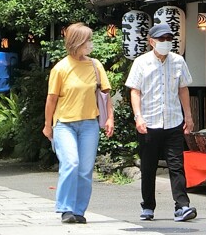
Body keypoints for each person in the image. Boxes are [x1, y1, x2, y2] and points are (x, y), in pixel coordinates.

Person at [125, 22, 197, 222]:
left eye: (168, 39)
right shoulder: (141, 62)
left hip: (173, 120)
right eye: (161, 39)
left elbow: (183, 88)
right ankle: (148, 206)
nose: (165, 43)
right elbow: (135, 91)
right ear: (151, 42)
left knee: (176, 165)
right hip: (149, 122)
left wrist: (189, 116)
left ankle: (182, 206)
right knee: (148, 166)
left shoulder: (178, 61)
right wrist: (138, 116)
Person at [43, 23, 114, 224]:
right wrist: (48, 125)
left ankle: (79, 210)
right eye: (87, 41)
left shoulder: (95, 65)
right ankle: (65, 208)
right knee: (71, 162)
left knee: (85, 169)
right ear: (76, 43)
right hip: (64, 123)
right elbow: (51, 99)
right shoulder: (61, 68)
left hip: (89, 124)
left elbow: (105, 94)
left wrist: (110, 118)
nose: (90, 44)